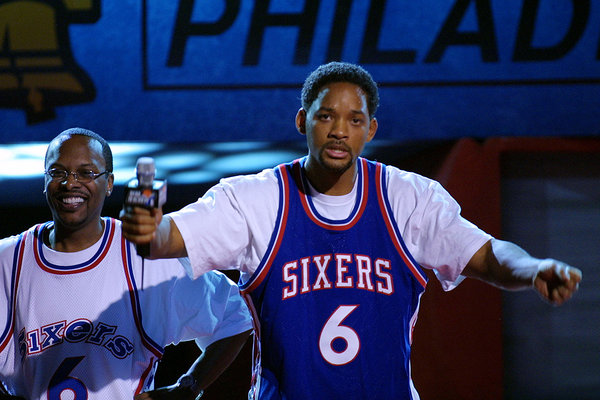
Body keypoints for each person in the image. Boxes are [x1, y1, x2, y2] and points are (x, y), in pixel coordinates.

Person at [120, 62, 582, 400]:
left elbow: (486, 254)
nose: (339, 130)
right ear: (302, 121)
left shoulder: (407, 197)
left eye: (354, 120)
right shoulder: (256, 199)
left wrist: (534, 267)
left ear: (370, 130)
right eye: (326, 117)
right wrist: (148, 230)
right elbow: (169, 240)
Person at [0, 128, 253, 399]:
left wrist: (187, 388)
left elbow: (236, 314)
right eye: (58, 172)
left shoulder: (144, 257)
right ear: (45, 180)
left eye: (86, 173)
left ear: (109, 183)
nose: (70, 183)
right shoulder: (8, 260)